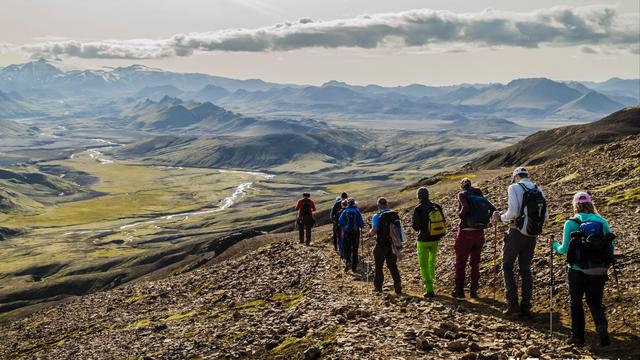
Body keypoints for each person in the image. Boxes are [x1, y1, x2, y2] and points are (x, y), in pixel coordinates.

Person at [551, 192, 613, 347]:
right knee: (595, 302)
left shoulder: (571, 223)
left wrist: (554, 245)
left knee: (576, 302)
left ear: (575, 205)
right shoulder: (602, 221)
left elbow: (564, 249)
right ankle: (601, 326)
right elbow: (610, 246)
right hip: (598, 270)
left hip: (577, 271)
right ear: (590, 204)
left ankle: (577, 337)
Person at [492, 166, 548, 317]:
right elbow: (545, 216)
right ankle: (526, 306)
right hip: (532, 235)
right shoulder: (538, 189)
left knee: (507, 267)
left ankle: (513, 305)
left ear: (516, 177)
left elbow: (513, 212)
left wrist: (501, 218)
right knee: (525, 270)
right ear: (527, 176)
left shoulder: (514, 187)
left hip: (516, 233)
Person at [453, 178, 496, 299]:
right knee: (475, 263)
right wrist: (483, 220)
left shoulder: (462, 194)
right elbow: (493, 209)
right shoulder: (479, 194)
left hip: (465, 233)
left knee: (461, 262)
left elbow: (465, 208)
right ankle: (474, 291)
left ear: (462, 186)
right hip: (479, 233)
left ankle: (459, 290)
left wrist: (460, 214)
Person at [411, 187, 446, 298]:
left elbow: (416, 227)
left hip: (423, 240)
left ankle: (429, 289)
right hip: (435, 239)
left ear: (418, 196)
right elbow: (443, 222)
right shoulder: (437, 206)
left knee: (424, 265)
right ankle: (432, 282)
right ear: (428, 195)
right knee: (432, 262)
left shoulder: (419, 209)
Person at [370, 197, 402, 294]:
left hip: (381, 244)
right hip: (392, 244)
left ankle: (378, 287)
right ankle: (398, 286)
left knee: (379, 266)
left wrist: (370, 232)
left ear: (378, 206)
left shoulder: (377, 216)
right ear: (386, 204)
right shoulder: (394, 215)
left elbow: (374, 231)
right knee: (392, 265)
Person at [338, 198, 364, 272]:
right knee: (355, 249)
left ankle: (348, 261)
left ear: (348, 203)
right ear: (354, 203)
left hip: (346, 233)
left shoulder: (345, 211)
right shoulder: (357, 211)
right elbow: (361, 223)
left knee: (347, 248)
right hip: (355, 233)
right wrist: (360, 226)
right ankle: (354, 267)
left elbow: (340, 222)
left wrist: (344, 226)